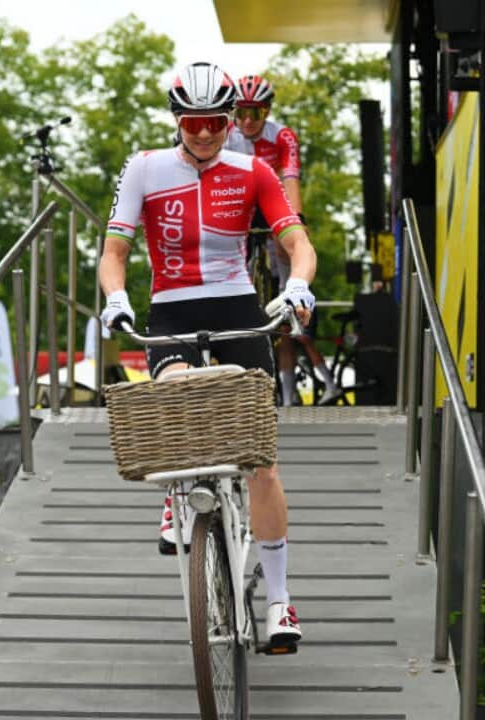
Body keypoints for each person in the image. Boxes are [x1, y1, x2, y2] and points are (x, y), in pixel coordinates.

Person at [98, 61, 311, 650]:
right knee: (178, 394)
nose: (204, 133)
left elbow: (296, 241)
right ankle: (178, 496)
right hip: (173, 309)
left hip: (237, 306)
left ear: (227, 121)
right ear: (177, 120)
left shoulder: (251, 170)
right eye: (192, 122)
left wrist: (297, 284)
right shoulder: (143, 168)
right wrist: (116, 298)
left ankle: (279, 601)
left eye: (215, 122)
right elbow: (114, 250)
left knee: (262, 461)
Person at [226, 74, 339, 405]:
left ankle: (292, 294)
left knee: (285, 244)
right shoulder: (227, 135)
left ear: (268, 112)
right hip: (240, 203)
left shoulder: (283, 137)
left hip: (275, 203)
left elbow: (290, 179)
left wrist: (295, 223)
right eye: (241, 113)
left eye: (256, 114)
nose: (247, 121)